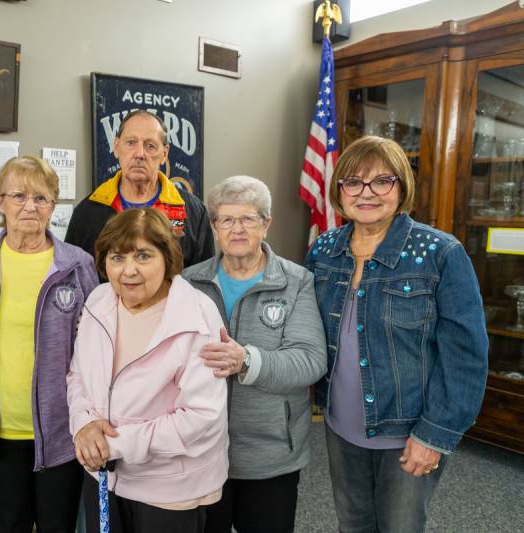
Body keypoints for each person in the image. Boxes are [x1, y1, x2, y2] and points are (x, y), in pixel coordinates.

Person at [304, 136, 488, 532]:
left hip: (408, 433)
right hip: (340, 425)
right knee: (352, 525)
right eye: (353, 182)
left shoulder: (440, 254)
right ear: (339, 191)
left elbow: (466, 357)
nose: (366, 193)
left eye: (381, 181)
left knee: (400, 527)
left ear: (401, 187)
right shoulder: (324, 250)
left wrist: (434, 436)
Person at [67, 207, 229, 533]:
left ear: (167, 258)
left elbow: (200, 417)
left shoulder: (197, 313)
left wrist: (114, 445)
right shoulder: (99, 300)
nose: (129, 271)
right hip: (103, 476)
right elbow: (78, 376)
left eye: (143, 256)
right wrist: (83, 426)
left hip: (169, 489)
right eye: (117, 258)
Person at [183, 175, 327, 533]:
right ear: (214, 226)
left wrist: (246, 360)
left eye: (248, 218)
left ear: (267, 224)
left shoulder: (297, 282)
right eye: (226, 219)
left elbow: (310, 360)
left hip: (270, 456)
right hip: (201, 452)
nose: (237, 229)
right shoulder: (188, 282)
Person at [0, 155, 98, 533]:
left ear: (53, 206)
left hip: (61, 428)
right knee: (8, 524)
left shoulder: (77, 264)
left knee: (59, 525)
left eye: (41, 198)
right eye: (19, 195)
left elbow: (94, 346)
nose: (30, 206)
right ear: (0, 202)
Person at [65, 110, 214, 268]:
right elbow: (74, 280)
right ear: (116, 147)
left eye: (150, 146)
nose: (140, 154)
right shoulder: (87, 212)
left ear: (164, 154)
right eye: (131, 143)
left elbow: (203, 279)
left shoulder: (193, 212)